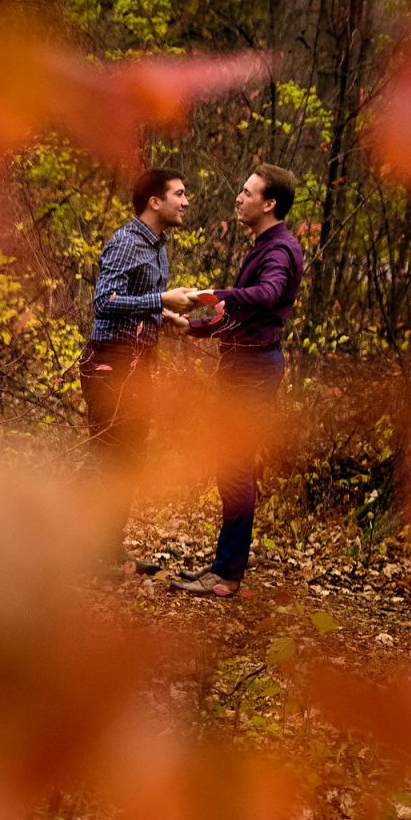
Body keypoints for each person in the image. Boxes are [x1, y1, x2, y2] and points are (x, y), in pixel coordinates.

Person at [160, 164, 305, 598]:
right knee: (231, 469)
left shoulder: (280, 249)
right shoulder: (264, 245)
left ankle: (227, 576)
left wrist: (211, 295)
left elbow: (267, 295)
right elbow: (245, 317)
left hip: (253, 372)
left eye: (247, 191)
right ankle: (224, 569)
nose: (238, 198)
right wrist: (194, 327)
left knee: (236, 470)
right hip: (243, 365)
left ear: (269, 203)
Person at [82, 166, 194, 563]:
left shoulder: (158, 247)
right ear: (155, 201)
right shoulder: (127, 242)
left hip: (140, 362)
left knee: (128, 459)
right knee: (107, 457)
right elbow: (105, 303)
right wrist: (162, 301)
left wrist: (168, 317)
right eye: (179, 194)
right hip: (110, 360)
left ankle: (110, 550)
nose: (185, 201)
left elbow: (137, 302)